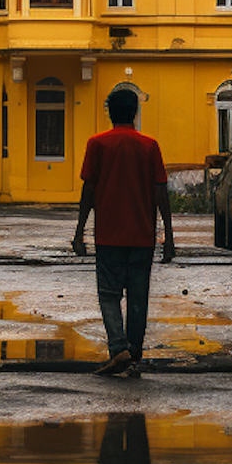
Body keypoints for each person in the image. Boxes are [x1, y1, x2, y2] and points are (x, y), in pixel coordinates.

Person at [72, 86, 175, 377]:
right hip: (142, 237)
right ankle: (134, 354)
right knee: (138, 297)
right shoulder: (149, 146)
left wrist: (80, 232)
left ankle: (119, 349)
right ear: (135, 112)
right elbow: (160, 192)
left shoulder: (98, 144)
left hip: (109, 235)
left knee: (108, 294)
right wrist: (169, 236)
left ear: (110, 113)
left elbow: (88, 191)